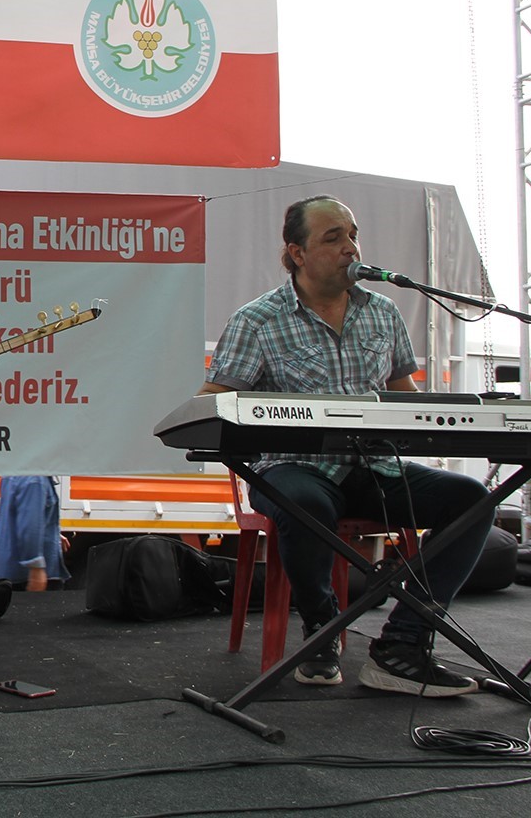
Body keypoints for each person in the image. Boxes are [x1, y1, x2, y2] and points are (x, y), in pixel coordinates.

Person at [200, 195, 493, 696]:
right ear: (295, 253)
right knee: (305, 501)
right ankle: (322, 629)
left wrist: (455, 416)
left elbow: (406, 396)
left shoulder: (383, 313)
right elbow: (212, 403)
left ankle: (402, 643)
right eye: (332, 238)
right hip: (293, 468)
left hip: (374, 469)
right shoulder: (257, 320)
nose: (349, 247)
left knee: (471, 500)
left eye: (352, 234)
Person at [0, 475, 71, 591]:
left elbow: (18, 516)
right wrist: (36, 568)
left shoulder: (12, 474)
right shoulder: (36, 480)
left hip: (10, 571)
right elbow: (29, 526)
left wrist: (53, 535)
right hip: (27, 576)